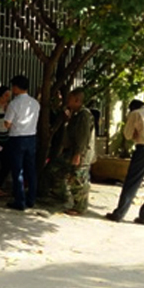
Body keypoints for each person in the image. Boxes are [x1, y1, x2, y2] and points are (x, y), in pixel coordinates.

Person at [106, 100, 144, 225]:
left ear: (132, 108)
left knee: (132, 182)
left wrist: (135, 134)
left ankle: (119, 213)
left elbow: (128, 135)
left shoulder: (136, 113)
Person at [3, 75, 40, 210]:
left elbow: (7, 124)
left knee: (18, 170)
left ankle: (20, 200)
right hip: (31, 137)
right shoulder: (35, 103)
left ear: (16, 88)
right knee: (31, 170)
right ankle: (31, 198)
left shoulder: (14, 104)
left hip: (17, 138)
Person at [60, 88, 96, 216]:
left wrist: (78, 154)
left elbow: (83, 136)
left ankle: (80, 207)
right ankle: (74, 203)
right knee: (72, 176)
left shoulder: (83, 115)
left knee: (79, 179)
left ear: (77, 100)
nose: (67, 101)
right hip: (74, 151)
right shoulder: (76, 114)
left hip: (82, 154)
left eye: (70, 99)